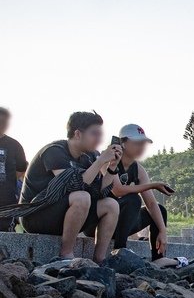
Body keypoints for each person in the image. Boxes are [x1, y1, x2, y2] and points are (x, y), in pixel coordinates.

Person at [0, 111, 121, 263]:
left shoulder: (89, 156)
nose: (99, 139)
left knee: (111, 205)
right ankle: (66, 255)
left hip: (65, 215)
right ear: (78, 133)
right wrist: (99, 162)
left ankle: (100, 259)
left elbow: (102, 192)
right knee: (82, 196)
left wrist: (111, 167)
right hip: (36, 215)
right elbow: (73, 184)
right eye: (94, 134)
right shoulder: (54, 151)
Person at [103, 124, 174, 262]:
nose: (141, 147)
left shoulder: (138, 169)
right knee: (133, 199)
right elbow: (117, 190)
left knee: (159, 209)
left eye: (143, 143)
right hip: (102, 221)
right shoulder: (109, 159)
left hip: (122, 223)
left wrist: (163, 231)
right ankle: (119, 251)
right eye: (137, 143)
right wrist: (152, 185)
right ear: (122, 143)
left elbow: (151, 203)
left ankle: (158, 257)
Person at [0, 108, 28, 232]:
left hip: (6, 199)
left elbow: (21, 169)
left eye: (5, 122)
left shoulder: (14, 145)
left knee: (5, 233)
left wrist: (6, 181)